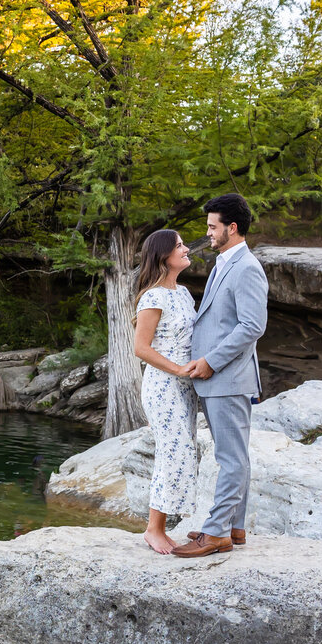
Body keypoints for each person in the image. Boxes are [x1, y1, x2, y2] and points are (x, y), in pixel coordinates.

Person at [171, 193, 269, 560]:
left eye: (212, 227)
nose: (207, 233)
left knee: (232, 458)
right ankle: (233, 527)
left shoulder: (246, 267)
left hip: (227, 377)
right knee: (232, 455)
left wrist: (210, 361)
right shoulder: (224, 263)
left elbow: (251, 326)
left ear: (232, 227)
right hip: (216, 380)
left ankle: (215, 533)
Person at [132, 228, 199, 554]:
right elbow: (140, 348)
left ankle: (164, 526)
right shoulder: (153, 296)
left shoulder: (184, 293)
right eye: (179, 246)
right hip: (163, 387)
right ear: (164, 256)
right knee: (173, 453)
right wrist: (177, 369)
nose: (186, 249)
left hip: (186, 389)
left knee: (183, 452)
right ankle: (153, 529)